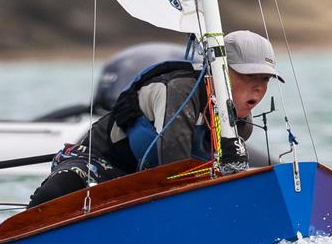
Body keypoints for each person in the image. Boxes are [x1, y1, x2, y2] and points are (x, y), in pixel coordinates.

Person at [28, 30, 283, 208]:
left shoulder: (240, 125)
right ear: (218, 71)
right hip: (98, 163)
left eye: (264, 79)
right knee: (55, 194)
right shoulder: (179, 91)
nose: (258, 88)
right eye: (248, 76)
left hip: (145, 183)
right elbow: (174, 164)